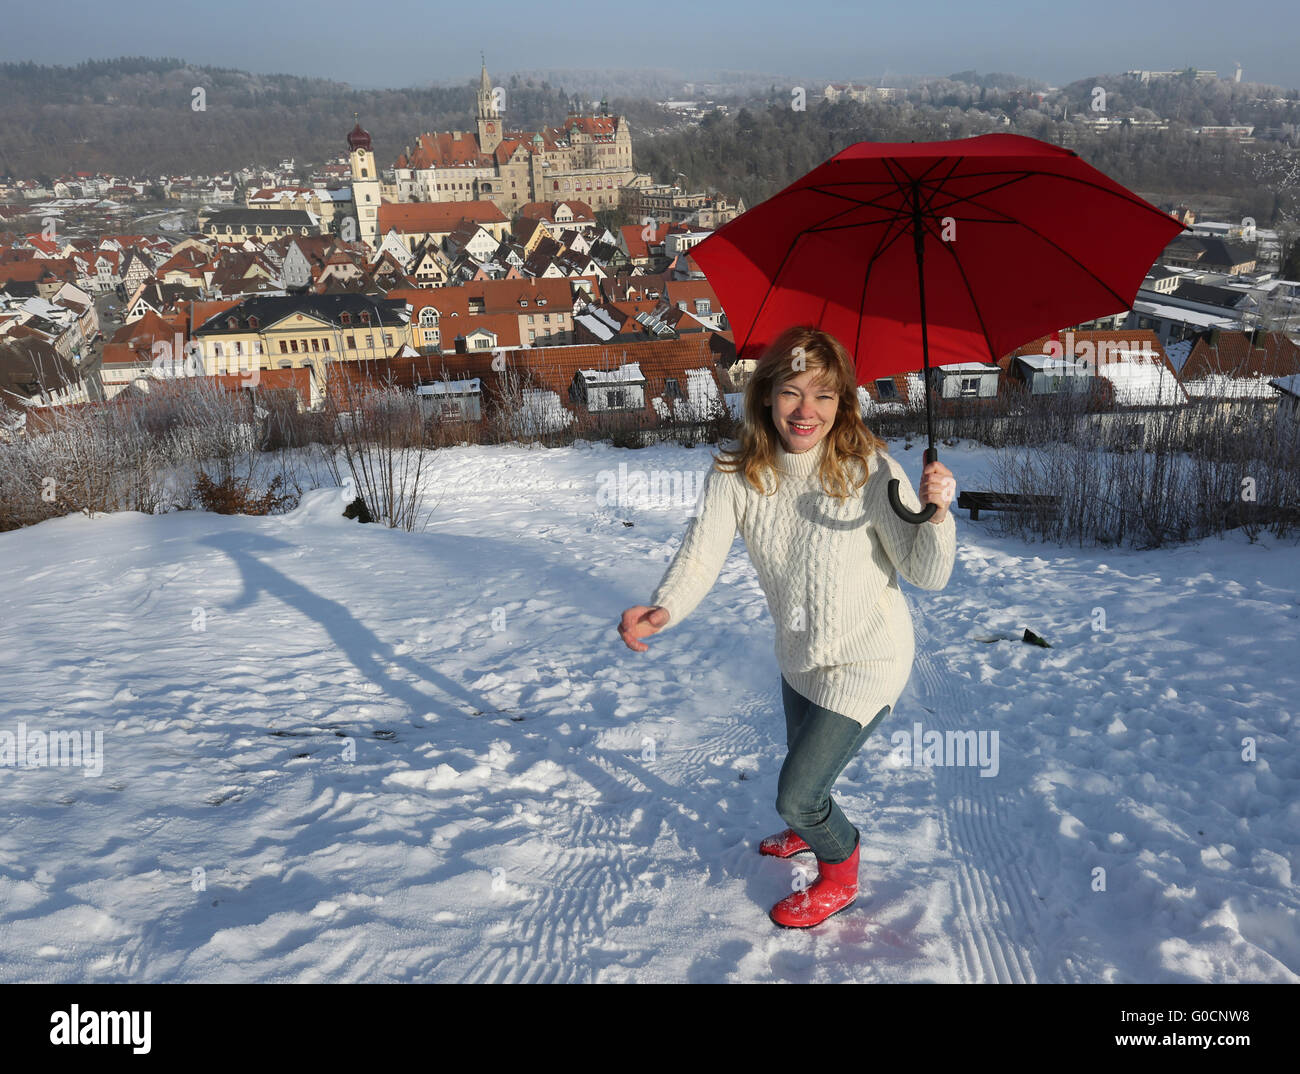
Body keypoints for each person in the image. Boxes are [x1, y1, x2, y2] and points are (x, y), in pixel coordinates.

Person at [617, 324, 958, 929]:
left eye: (824, 395)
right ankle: (806, 827)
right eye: (792, 392)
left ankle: (840, 871)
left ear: (842, 402)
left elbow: (925, 575)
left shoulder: (869, 470)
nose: (807, 411)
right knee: (803, 770)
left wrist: (935, 515)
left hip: (868, 660)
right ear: (766, 395)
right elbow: (702, 553)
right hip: (798, 655)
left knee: (799, 795)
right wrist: (664, 607)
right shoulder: (738, 472)